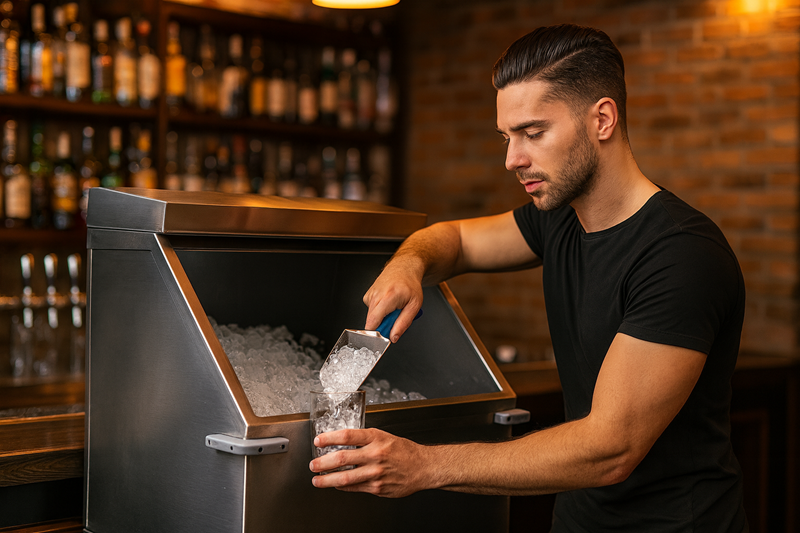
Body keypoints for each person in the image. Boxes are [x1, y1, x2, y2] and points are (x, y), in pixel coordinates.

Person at [309, 24, 748, 532]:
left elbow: (610, 449)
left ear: (602, 119)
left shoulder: (681, 254)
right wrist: (408, 263)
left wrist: (424, 465)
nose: (512, 158)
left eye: (533, 133)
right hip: (579, 519)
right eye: (507, 136)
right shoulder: (558, 216)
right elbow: (456, 239)